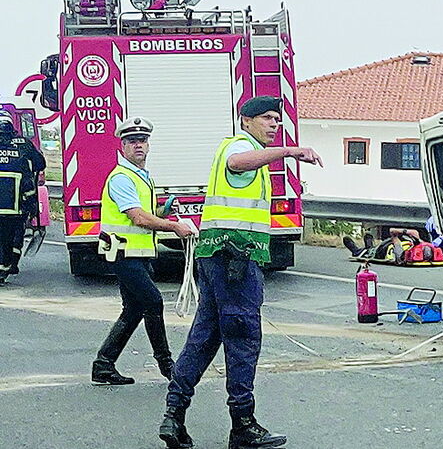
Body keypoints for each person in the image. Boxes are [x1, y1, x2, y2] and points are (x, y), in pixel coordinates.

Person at [160, 96, 322, 449]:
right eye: (266, 118)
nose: (274, 124)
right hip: (234, 260)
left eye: (277, 119)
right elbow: (238, 162)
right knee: (244, 337)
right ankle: (243, 424)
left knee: (204, 338)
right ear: (245, 121)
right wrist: (289, 151)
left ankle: (174, 414)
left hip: (218, 257)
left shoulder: (247, 153)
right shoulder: (239, 147)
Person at [92, 117, 197, 385]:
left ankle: (103, 365)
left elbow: (147, 215)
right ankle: (168, 366)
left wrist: (163, 211)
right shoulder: (122, 178)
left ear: (148, 146)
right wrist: (173, 226)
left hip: (137, 254)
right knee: (152, 302)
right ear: (123, 146)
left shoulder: (141, 176)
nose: (138, 145)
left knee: (133, 310)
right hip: (124, 254)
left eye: (142, 141)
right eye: (132, 141)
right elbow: (138, 218)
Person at [0, 110, 45, 282]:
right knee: (14, 237)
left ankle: (4, 269)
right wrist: (32, 205)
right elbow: (40, 164)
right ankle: (9, 266)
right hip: (16, 208)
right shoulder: (23, 145)